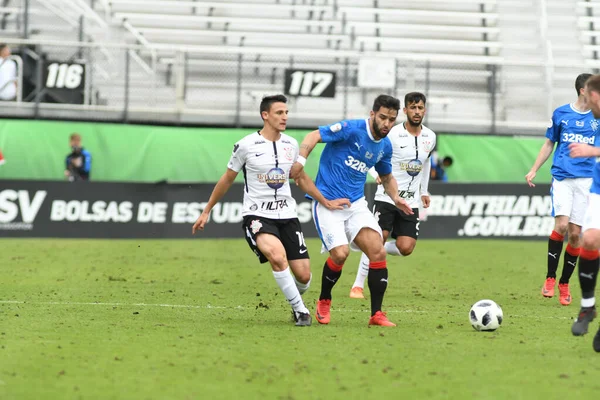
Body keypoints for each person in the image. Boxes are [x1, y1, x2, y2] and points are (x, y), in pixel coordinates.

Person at [192, 94, 350, 327]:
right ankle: (300, 311)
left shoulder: (291, 144)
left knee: (304, 276)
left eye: (286, 113)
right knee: (277, 256)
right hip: (257, 215)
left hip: (287, 216)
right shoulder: (245, 145)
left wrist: (325, 201)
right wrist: (207, 210)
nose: (284, 117)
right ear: (265, 115)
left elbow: (301, 177)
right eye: (279, 112)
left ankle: (294, 298)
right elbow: (227, 179)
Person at [290, 94, 413, 327]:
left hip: (355, 205)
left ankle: (376, 314)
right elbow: (314, 135)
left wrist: (395, 197)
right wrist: (301, 161)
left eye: (392, 120)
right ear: (373, 114)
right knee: (340, 254)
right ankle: (324, 298)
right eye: (383, 118)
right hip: (328, 203)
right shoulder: (351, 129)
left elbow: (386, 176)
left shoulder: (385, 146)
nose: (387, 124)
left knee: (377, 251)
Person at [349, 92, 436, 299]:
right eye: (412, 108)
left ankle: (374, 249)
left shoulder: (430, 137)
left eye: (420, 108)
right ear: (405, 111)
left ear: (424, 110)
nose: (417, 112)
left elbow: (426, 162)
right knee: (378, 237)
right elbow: (371, 155)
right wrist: (376, 175)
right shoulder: (392, 134)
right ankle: (357, 285)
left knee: (406, 248)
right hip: (387, 197)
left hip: (410, 201)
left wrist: (424, 190)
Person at [525, 73, 599, 306]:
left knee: (576, 235)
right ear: (582, 90)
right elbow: (549, 143)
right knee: (562, 225)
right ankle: (549, 277)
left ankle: (564, 283)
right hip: (563, 178)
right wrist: (534, 169)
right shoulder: (561, 114)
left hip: (587, 182)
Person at [568, 74, 600, 351]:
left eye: (590, 97)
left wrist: (593, 150)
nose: (587, 102)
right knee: (589, 241)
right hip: (598, 192)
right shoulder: (596, 119)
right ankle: (587, 307)